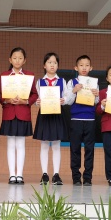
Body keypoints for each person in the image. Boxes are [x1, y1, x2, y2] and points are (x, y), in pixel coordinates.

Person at [0, 47, 38, 185]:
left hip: (23, 112)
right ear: (10, 60)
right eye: (15, 58)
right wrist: (7, 100)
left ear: (24, 60)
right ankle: (12, 175)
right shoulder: (4, 75)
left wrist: (25, 101)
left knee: (21, 144)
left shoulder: (29, 75)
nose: (17, 60)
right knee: (10, 144)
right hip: (9, 112)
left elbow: (34, 94)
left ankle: (20, 175)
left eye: (20, 58)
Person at [33, 52, 71, 185]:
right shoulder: (39, 82)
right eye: (49, 62)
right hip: (44, 114)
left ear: (58, 65)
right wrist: (37, 102)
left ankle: (56, 174)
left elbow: (67, 96)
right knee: (44, 144)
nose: (52, 65)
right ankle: (44, 174)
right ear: (44, 65)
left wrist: (64, 100)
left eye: (55, 62)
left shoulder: (62, 81)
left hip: (57, 114)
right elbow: (35, 98)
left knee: (56, 145)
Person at [66, 55, 99, 186]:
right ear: (76, 67)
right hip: (76, 119)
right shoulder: (72, 82)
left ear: (91, 68)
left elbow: (96, 102)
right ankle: (76, 177)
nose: (84, 68)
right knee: (75, 148)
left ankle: (88, 177)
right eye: (81, 65)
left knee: (89, 149)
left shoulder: (94, 83)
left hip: (90, 119)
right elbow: (67, 101)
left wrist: (96, 95)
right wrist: (74, 91)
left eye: (87, 65)